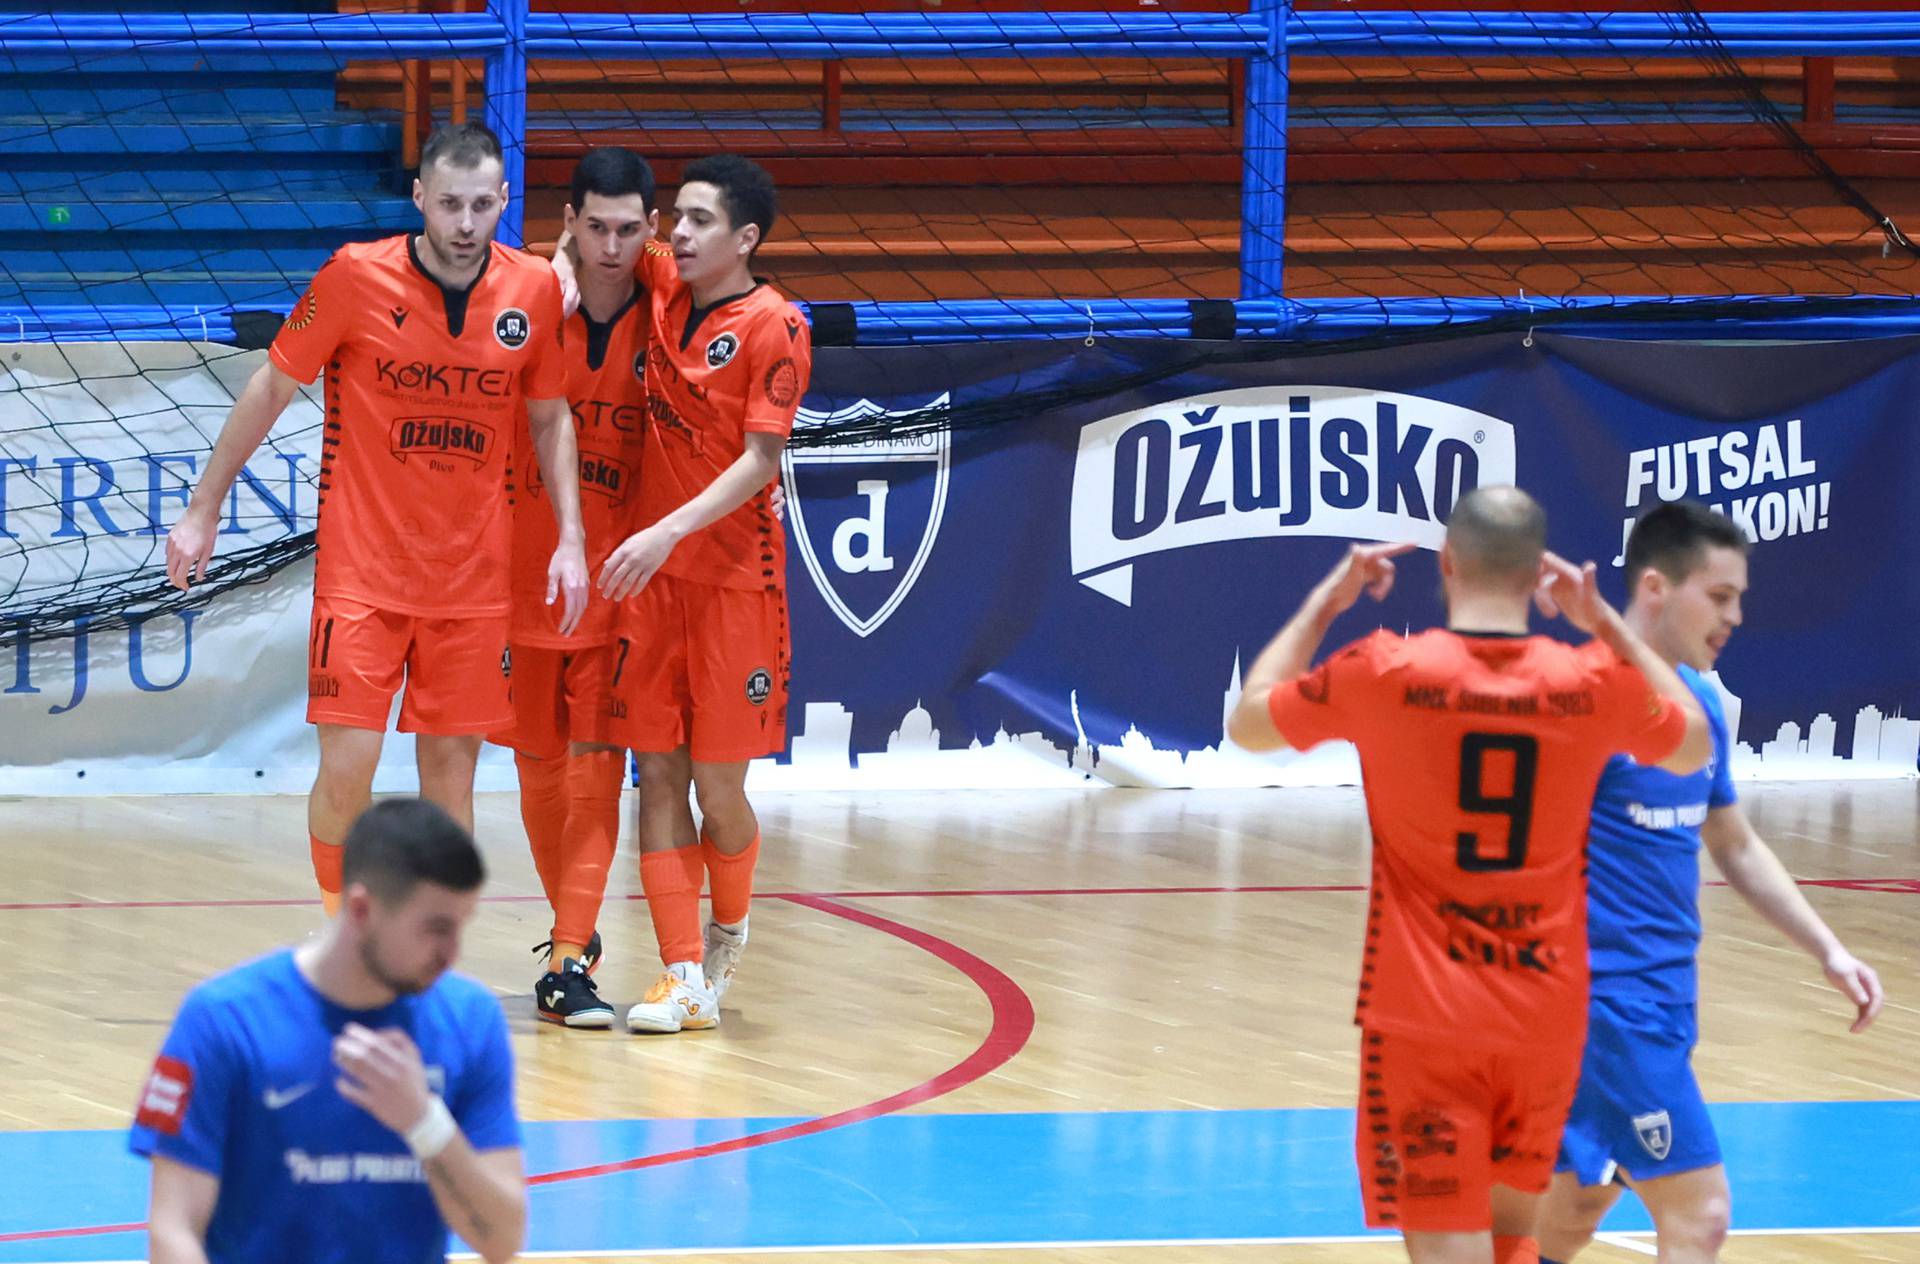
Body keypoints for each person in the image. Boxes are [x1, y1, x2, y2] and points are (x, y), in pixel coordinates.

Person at [1226, 486, 1711, 1264]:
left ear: (1448, 564)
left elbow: (1247, 721)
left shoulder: (1382, 668)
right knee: (1514, 1241)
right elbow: (1691, 743)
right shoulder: (1588, 679)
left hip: (1425, 1023)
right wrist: (1608, 626)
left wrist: (1326, 602)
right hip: (1544, 1020)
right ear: (1537, 579)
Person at [165, 121, 588, 917]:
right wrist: (203, 507)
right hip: (363, 574)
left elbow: (552, 417)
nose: (466, 225)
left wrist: (570, 535)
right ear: (420, 199)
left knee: (451, 781)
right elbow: (270, 386)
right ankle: (344, 930)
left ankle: (429, 953)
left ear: (504, 202)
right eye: (450, 205)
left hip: (472, 582)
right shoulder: (356, 277)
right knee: (348, 767)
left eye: (483, 206)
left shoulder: (530, 291)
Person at [1534, 501, 1884, 1264]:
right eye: (1719, 597)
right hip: (1607, 1010)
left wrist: (1828, 949)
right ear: (1657, 589)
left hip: (1661, 1004)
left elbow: (1733, 841)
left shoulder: (1699, 710)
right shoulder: (1581, 700)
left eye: (1739, 599)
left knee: (1576, 1205)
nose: (1734, 617)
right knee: (1702, 1214)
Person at [559, 154, 812, 1034]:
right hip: (653, 589)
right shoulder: (663, 282)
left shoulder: (777, 325)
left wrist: (666, 529)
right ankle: (681, 976)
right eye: (680, 219)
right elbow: (582, 240)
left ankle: (728, 929)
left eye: (701, 221)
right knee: (655, 772)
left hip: (736, 586)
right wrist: (559, 271)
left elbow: (760, 462)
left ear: (745, 238)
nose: (679, 235)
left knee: (719, 788)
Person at [132, 798, 525, 1264]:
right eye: (435, 928)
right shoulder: (223, 1020)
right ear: (361, 909)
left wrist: (425, 1122)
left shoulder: (471, 1020)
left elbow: (501, 1241)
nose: (452, 952)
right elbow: (174, 1230)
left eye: (461, 927)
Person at [492, 147, 660, 1029]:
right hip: (518, 565)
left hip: (619, 576)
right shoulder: (524, 300)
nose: (611, 245)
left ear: (651, 231)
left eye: (629, 229)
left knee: (599, 766)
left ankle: (566, 957)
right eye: (594, 226)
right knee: (537, 766)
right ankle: (574, 937)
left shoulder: (667, 299)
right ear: (567, 222)